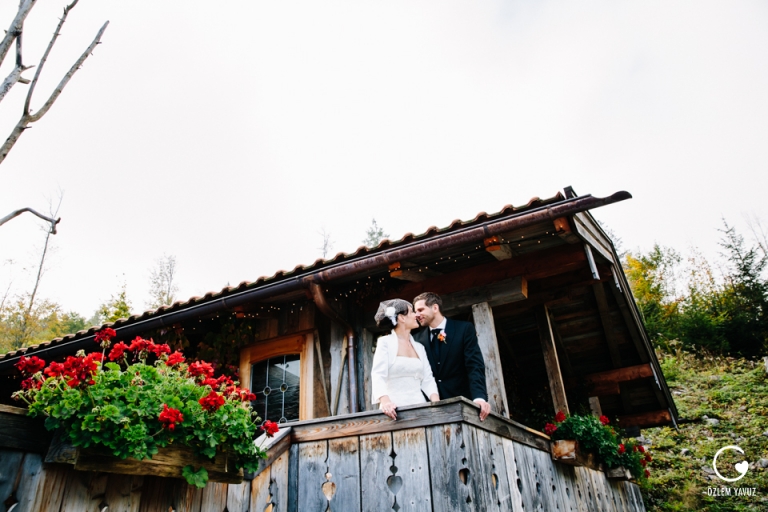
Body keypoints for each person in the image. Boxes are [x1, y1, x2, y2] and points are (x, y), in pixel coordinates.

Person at [413, 292, 491, 421]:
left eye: (420, 310)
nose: (417, 315)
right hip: (431, 409)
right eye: (415, 311)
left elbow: (474, 365)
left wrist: (479, 397)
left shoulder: (464, 329)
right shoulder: (416, 340)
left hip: (463, 404)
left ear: (435, 308)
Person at [371, 298, 440, 420]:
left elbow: (428, 379)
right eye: (412, 312)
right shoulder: (385, 343)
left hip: (420, 407)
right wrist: (386, 402)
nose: (416, 315)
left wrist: (437, 405)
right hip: (394, 410)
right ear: (401, 318)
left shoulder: (419, 348)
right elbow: (378, 375)